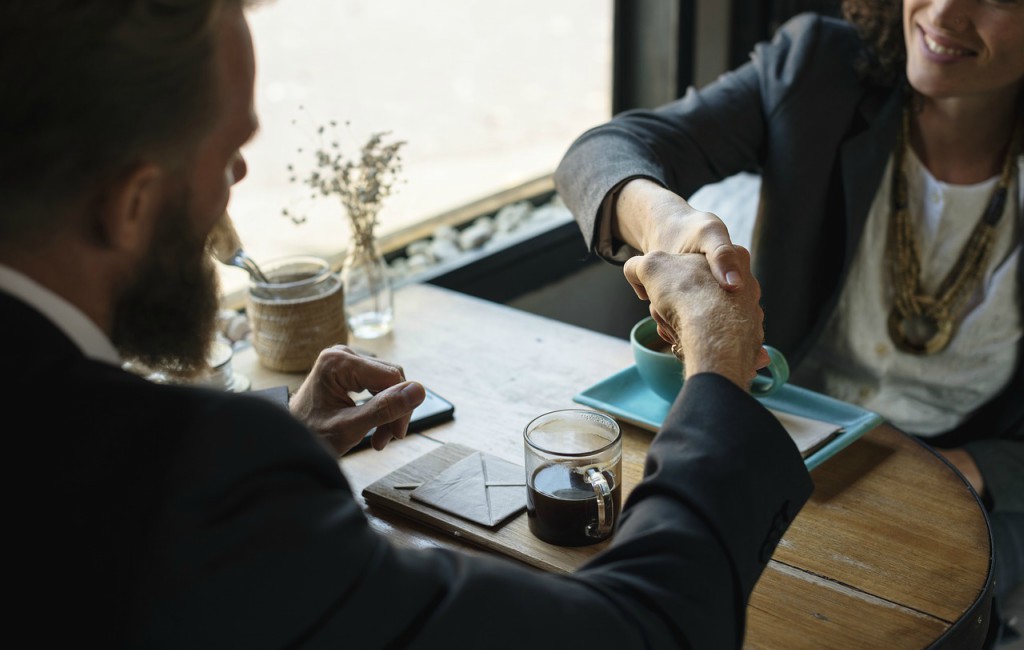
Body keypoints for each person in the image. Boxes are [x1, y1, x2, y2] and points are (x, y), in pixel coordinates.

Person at [0, 1, 813, 647]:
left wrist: (289, 447)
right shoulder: (183, 482)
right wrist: (716, 365)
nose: (236, 183)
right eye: (230, 153)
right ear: (133, 202)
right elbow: (640, 632)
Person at [554, 0, 1022, 644]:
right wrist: (668, 224)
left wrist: (971, 468)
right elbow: (601, 154)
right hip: (785, 450)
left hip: (961, 491)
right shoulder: (821, 68)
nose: (944, 12)